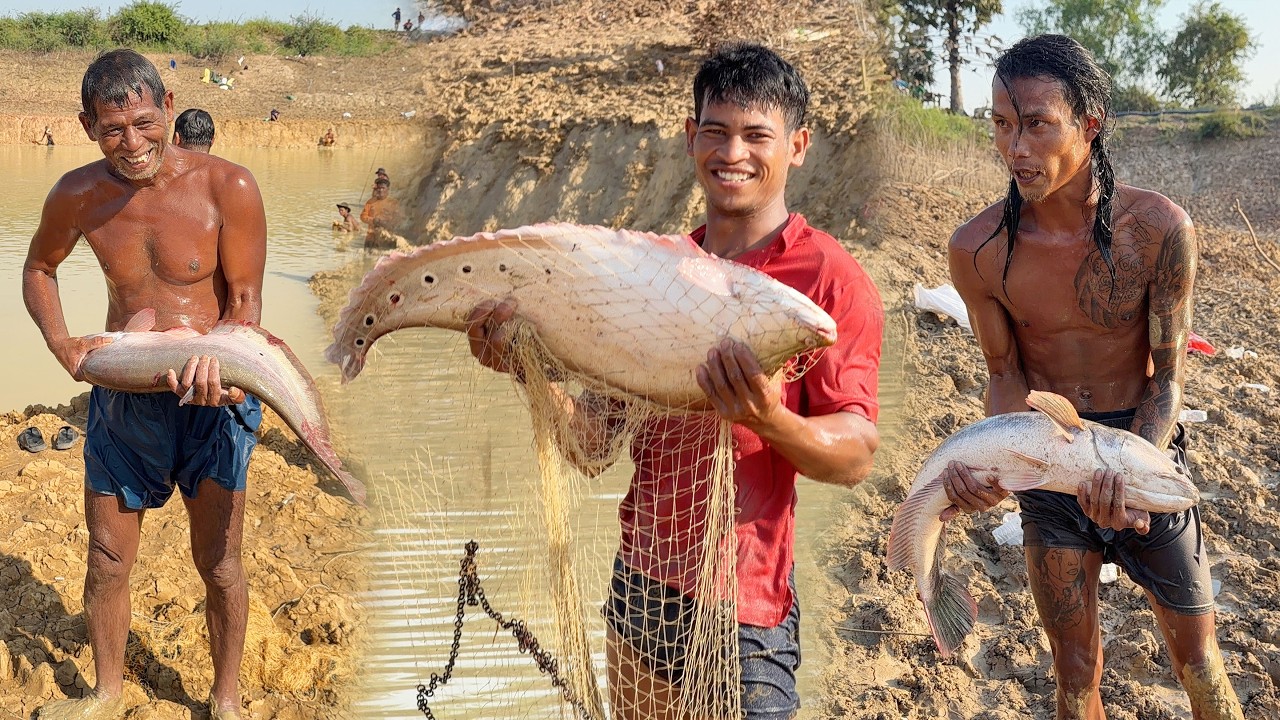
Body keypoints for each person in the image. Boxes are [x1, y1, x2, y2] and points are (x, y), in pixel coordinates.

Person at [466, 43, 883, 719]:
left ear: (798, 146)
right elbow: (592, 448)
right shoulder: (652, 274)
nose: (733, 153)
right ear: (691, 137)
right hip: (638, 588)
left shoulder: (828, 280)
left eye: (757, 136)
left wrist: (768, 418)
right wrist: (529, 371)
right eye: (715, 131)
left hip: (742, 606)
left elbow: (856, 456)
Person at [944, 34, 1243, 720]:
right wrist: (995, 461)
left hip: (1141, 445)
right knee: (1075, 671)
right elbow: (1003, 374)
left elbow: (1167, 380)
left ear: (1090, 124)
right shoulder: (978, 249)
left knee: (1198, 661)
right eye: (1001, 125)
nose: (1015, 147)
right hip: (1046, 453)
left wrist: (1133, 470)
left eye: (1037, 124)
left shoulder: (1158, 229)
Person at [22, 49, 267, 720]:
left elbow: (245, 300)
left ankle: (225, 699)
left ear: (166, 106)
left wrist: (235, 376)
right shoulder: (77, 195)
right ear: (85, 126)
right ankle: (105, 692)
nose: (132, 144)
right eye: (111, 130)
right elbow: (38, 269)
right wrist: (62, 345)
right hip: (126, 406)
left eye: (144, 122)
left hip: (211, 403)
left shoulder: (230, 187)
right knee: (106, 560)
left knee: (219, 561)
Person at [360, 176, 403, 248]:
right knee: (367, 258)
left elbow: (399, 219)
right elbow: (362, 217)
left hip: (387, 237)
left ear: (387, 189)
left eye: (383, 188)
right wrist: (373, 220)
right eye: (379, 188)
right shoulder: (370, 202)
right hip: (371, 238)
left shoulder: (393, 203)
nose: (380, 190)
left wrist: (387, 223)